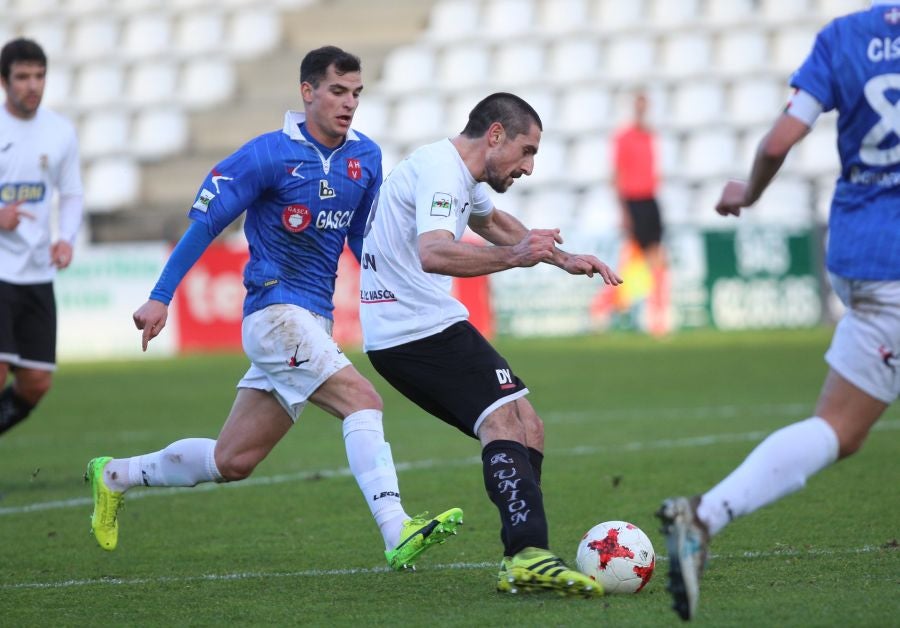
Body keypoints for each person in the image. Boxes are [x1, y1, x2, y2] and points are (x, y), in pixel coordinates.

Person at [84, 46, 463, 570]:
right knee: (362, 401)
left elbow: (360, 237)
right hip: (275, 314)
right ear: (307, 92)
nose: (349, 103)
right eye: (337, 91)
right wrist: (161, 295)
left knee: (233, 459)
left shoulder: (367, 158)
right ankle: (397, 528)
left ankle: (114, 476)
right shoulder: (268, 154)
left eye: (356, 93)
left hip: (314, 320)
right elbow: (207, 222)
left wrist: (399, 287)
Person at [657, 2, 900, 621]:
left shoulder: (845, 36)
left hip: (860, 256)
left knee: (838, 431)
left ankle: (704, 516)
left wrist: (750, 190)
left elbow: (781, 138)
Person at [358, 92, 623, 596]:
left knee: (527, 425)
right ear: (495, 134)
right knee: (503, 420)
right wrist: (518, 257)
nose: (528, 167)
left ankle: (521, 555)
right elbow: (433, 253)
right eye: (527, 151)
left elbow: (492, 223)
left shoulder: (460, 173)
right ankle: (527, 553)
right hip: (413, 328)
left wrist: (559, 258)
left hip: (419, 325)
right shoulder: (440, 170)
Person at [0, 38, 83, 436]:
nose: (32, 85)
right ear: (4, 82)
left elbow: (71, 193)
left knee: (36, 382)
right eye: (22, 77)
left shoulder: (60, 132)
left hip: (36, 271)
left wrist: (65, 237)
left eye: (39, 75)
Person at [607, 90, 669, 336]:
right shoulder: (624, 137)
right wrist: (623, 211)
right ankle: (610, 308)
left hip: (650, 200)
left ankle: (655, 316)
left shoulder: (650, 136)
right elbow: (617, 174)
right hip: (634, 201)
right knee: (638, 260)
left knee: (653, 259)